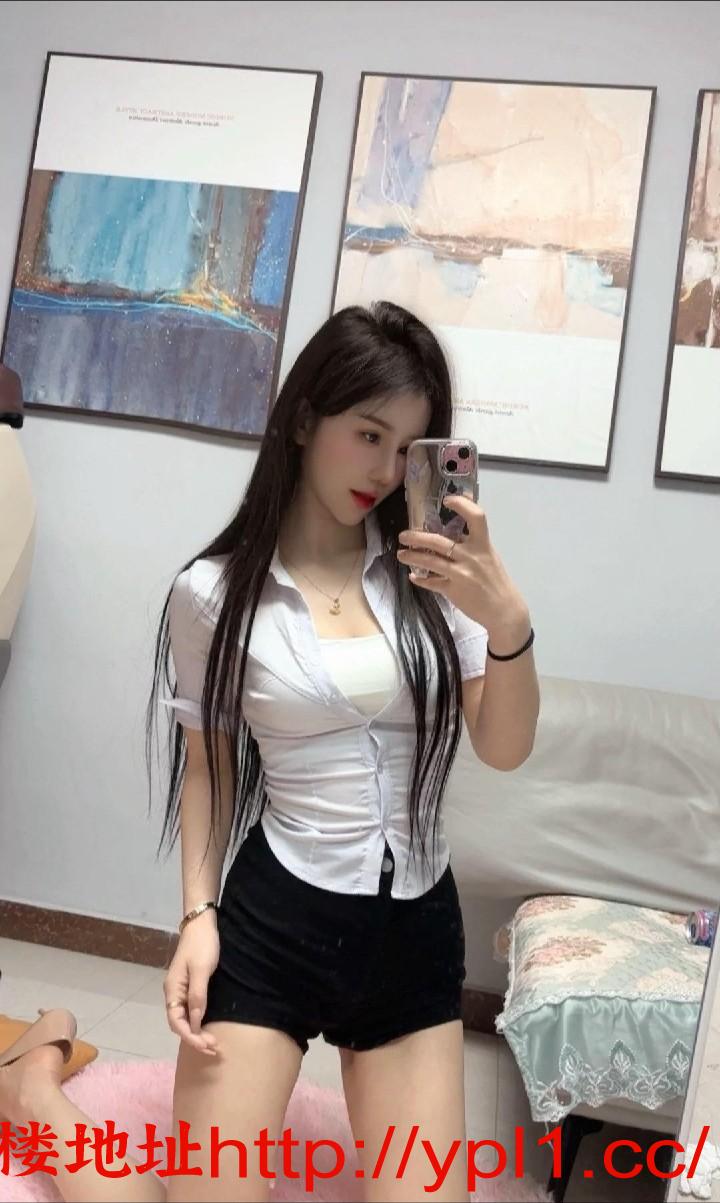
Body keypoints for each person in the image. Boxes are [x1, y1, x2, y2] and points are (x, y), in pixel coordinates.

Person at [0, 302, 540, 1203]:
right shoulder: (213, 595)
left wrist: (509, 622)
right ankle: (33, 1089)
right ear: (303, 420)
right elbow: (208, 766)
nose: (383, 470)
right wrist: (198, 917)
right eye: (367, 434)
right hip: (275, 925)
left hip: (413, 934)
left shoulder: (436, 584)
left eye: (404, 446)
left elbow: (506, 747)